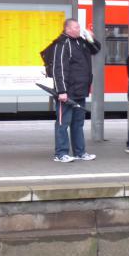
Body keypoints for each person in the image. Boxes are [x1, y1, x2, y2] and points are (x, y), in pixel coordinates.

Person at [51, 19, 101, 163]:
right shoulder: (62, 44)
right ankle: (60, 153)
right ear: (67, 29)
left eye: (79, 27)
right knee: (63, 123)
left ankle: (80, 152)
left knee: (78, 123)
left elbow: (96, 49)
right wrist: (61, 91)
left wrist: (90, 38)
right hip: (67, 92)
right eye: (76, 27)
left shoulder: (80, 41)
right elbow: (58, 68)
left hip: (80, 90)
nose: (79, 29)